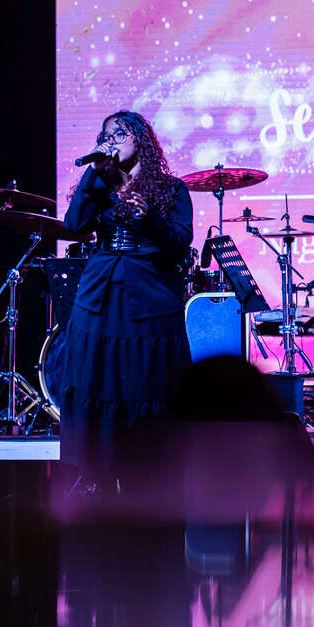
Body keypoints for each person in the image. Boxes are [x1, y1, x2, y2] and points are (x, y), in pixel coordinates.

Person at [61, 110, 194, 485]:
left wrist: (150, 217)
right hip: (99, 296)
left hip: (148, 297)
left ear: (141, 139)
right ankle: (97, 482)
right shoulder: (99, 187)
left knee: (144, 385)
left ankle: (144, 482)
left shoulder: (171, 189)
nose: (112, 140)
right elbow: (73, 226)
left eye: (120, 133)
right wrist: (93, 174)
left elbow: (179, 244)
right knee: (96, 385)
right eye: (106, 135)